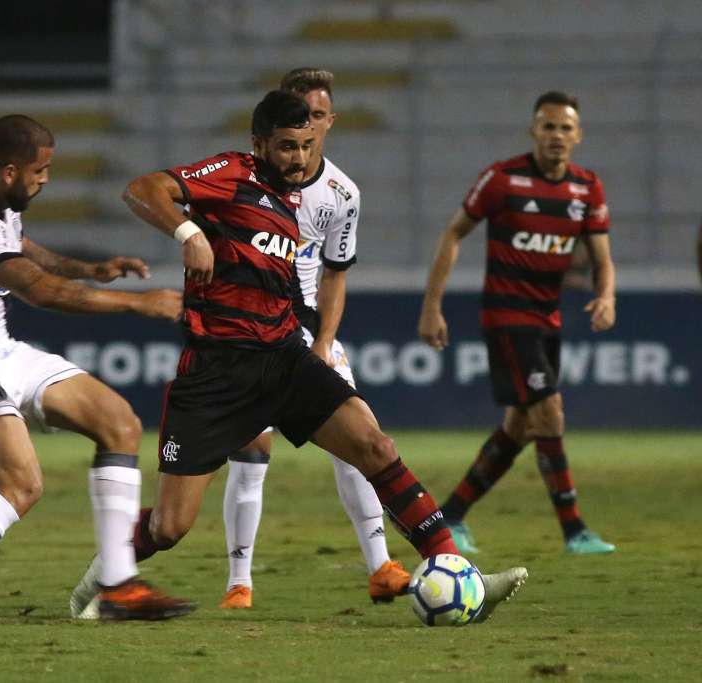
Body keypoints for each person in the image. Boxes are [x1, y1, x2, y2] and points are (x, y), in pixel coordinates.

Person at [70, 90, 527, 621]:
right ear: (258, 143)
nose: (299, 158)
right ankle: (107, 575)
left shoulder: (292, 201)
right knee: (169, 528)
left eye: (307, 146)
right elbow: (141, 188)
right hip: (217, 375)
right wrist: (188, 230)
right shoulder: (229, 173)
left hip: (284, 360)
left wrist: (315, 343)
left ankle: (455, 568)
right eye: (287, 147)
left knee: (375, 447)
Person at [0, 114, 195, 626]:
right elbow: (39, 291)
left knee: (118, 421)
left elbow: (21, 247)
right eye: (41, 170)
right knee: (21, 484)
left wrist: (86, 269)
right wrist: (137, 305)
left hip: (0, 349)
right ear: (9, 171)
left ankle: (117, 584)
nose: (46, 180)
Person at [219, 68, 409, 611]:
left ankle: (380, 568)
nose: (309, 125)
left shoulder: (341, 193)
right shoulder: (239, 180)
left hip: (305, 331)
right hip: (248, 331)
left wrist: (325, 341)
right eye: (298, 115)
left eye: (318, 117)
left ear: (329, 121)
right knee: (250, 450)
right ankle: (239, 582)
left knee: (359, 440)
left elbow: (335, 272)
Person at [418, 91, 617, 555]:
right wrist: (432, 306)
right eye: (548, 127)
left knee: (520, 426)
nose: (556, 136)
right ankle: (575, 531)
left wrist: (606, 296)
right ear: (534, 131)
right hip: (507, 316)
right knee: (549, 412)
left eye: (565, 128)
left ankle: (451, 515)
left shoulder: (587, 189)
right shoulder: (503, 179)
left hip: (548, 319)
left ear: (578, 136)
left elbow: (603, 258)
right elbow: (454, 232)